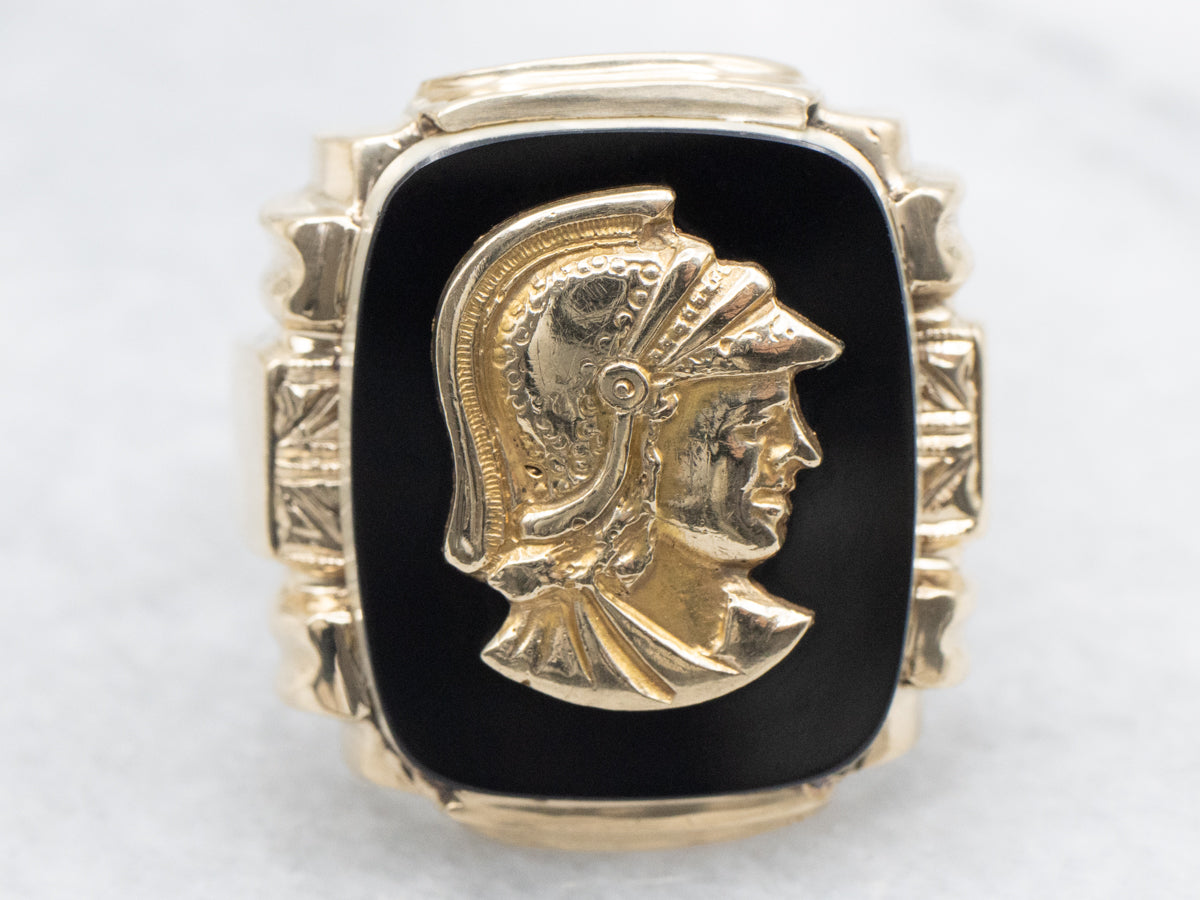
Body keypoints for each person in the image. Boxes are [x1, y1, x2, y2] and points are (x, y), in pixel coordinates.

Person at [435, 187, 842, 710]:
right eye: (757, 421)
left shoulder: (762, 632)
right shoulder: (556, 652)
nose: (805, 450)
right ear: (626, 431)